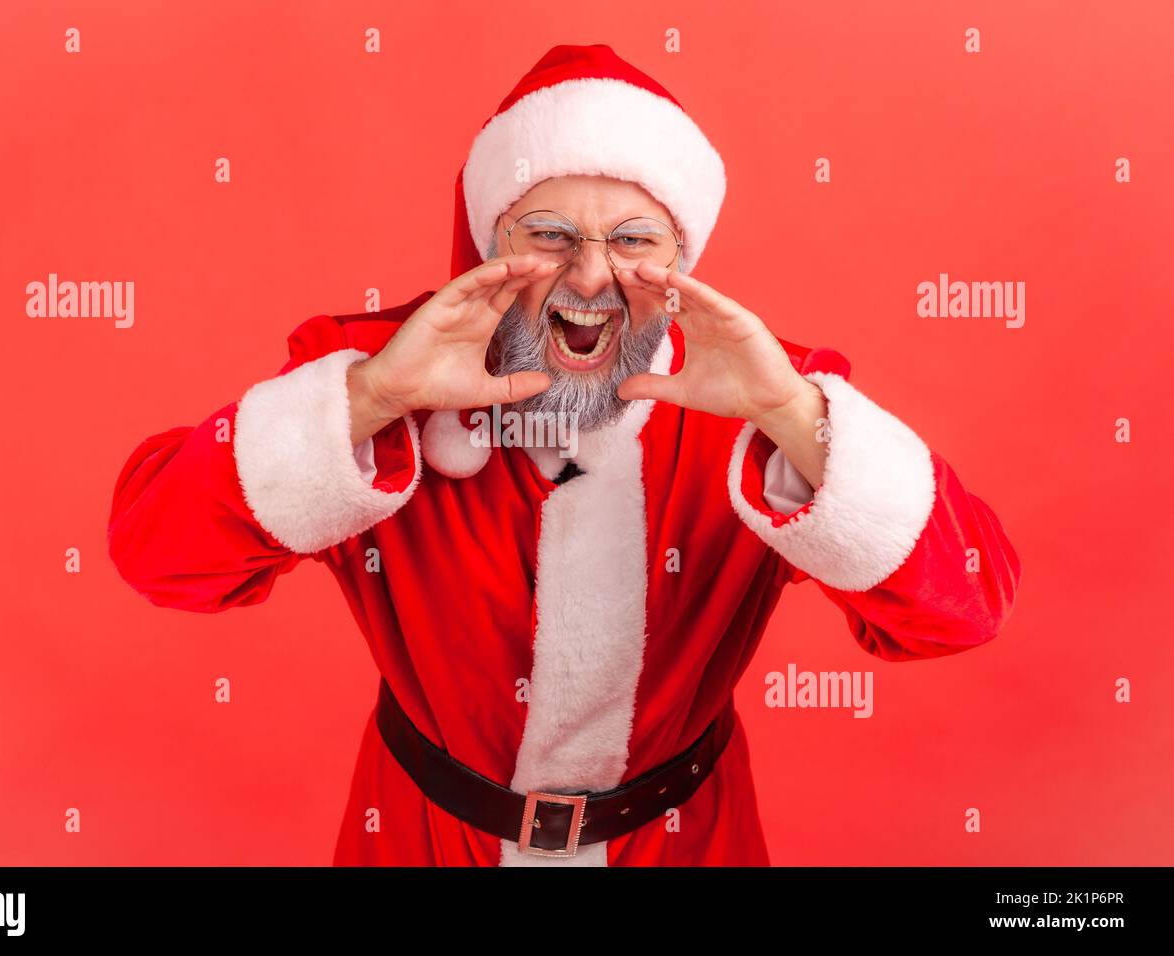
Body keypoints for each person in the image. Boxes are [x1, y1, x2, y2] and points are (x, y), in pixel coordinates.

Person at [106, 44, 1021, 867]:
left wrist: (794, 415)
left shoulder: (762, 390)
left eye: (633, 241)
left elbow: (963, 610)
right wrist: (374, 396)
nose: (590, 277)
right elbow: (159, 557)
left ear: (683, 258)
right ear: (488, 241)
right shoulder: (377, 371)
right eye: (547, 235)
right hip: (421, 839)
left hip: (684, 845)